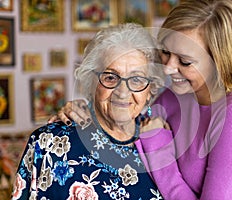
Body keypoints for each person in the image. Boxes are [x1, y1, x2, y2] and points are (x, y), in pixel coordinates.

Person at [49, 0, 232, 199]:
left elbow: (150, 140)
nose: (169, 68)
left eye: (185, 61)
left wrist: (158, 146)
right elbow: (127, 122)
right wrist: (86, 112)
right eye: (165, 52)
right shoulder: (176, 98)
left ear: (219, 62)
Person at [12, 23, 197, 200]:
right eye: (110, 77)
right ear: (92, 84)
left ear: (150, 91)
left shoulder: (167, 142)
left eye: (137, 79)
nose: (122, 92)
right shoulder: (48, 143)